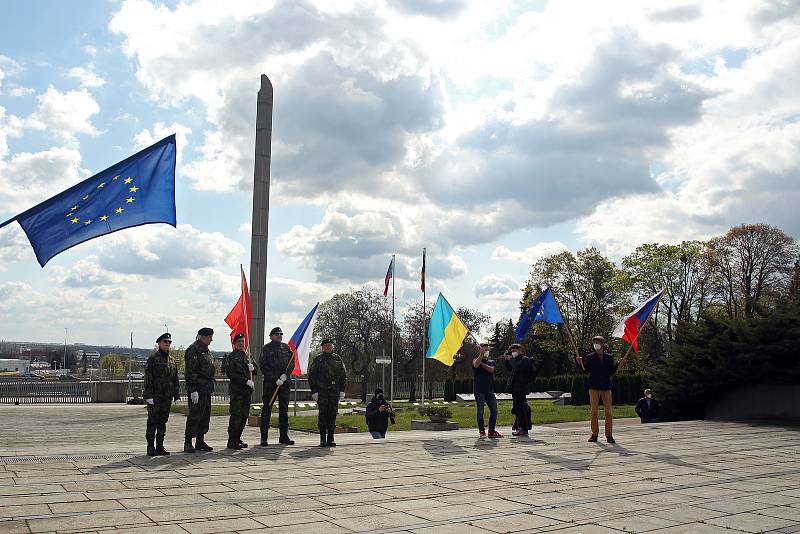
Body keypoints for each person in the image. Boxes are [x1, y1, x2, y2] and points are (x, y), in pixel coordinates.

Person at [576, 335, 628, 443]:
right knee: (594, 412)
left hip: (606, 387)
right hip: (594, 387)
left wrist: (619, 364)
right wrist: (580, 363)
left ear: (603, 344)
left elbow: (612, 372)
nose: (596, 344)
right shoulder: (590, 357)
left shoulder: (609, 357)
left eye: (598, 342)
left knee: (608, 412)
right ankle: (594, 434)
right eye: (594, 342)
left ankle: (609, 435)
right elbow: (586, 371)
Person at [143, 332, 180, 456]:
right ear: (159, 343)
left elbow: (175, 380)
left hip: (167, 397)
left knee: (163, 422)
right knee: (152, 421)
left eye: (169, 342)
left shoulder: (172, 360)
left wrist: (177, 395)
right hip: (156, 396)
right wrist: (148, 395)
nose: (167, 344)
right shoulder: (153, 358)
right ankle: (150, 446)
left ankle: (160, 446)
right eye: (165, 342)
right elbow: (148, 378)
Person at [258, 327, 296, 446]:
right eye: (277, 334)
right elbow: (263, 366)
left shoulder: (286, 348)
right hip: (271, 384)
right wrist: (275, 378)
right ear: (271, 336)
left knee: (284, 410)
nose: (279, 336)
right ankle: (264, 437)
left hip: (284, 383)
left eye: (281, 334)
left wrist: (286, 375)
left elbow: (292, 361)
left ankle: (284, 436)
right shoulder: (266, 349)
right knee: (267, 409)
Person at [308, 338, 347, 447]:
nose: (327, 347)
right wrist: (314, 390)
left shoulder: (337, 359)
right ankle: (322, 439)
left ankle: (331, 438)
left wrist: (342, 390)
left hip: (334, 392)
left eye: (329, 345)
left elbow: (343, 376)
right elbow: (312, 376)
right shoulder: (318, 360)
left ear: (332, 346)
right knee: (323, 415)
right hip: (322, 392)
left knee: (332, 415)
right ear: (322, 347)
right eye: (325, 345)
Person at [184, 327, 216, 453]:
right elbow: (190, 371)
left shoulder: (205, 350)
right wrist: (193, 390)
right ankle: (188, 442)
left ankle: (200, 440)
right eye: (210, 337)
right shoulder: (194, 349)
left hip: (206, 387)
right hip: (197, 387)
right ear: (202, 336)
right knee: (195, 415)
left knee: (204, 415)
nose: (211, 339)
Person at [224, 333, 257, 450]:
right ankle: (232, 440)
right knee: (236, 416)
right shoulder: (231, 357)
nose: (241, 344)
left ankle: (237, 438)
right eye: (239, 342)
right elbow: (231, 374)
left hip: (246, 392)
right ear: (234, 343)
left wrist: (252, 367)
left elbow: (256, 371)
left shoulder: (247, 355)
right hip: (237, 391)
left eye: (242, 341)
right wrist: (245, 381)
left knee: (244, 416)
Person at [505, 343, 535, 437]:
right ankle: (519, 426)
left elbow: (518, 368)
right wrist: (507, 360)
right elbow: (510, 368)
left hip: (521, 387)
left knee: (521, 408)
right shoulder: (516, 360)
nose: (513, 352)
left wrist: (511, 360)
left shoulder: (525, 360)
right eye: (512, 351)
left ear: (520, 350)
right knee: (517, 408)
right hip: (515, 388)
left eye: (515, 350)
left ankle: (523, 428)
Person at [473, 342, 501, 439]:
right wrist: (480, 357)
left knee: (494, 411)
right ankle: (482, 431)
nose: (486, 351)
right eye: (484, 350)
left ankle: (491, 431)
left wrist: (482, 363)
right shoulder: (475, 360)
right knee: (480, 411)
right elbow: (476, 365)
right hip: (479, 390)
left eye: (487, 350)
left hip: (489, 390)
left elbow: (491, 370)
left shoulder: (491, 361)